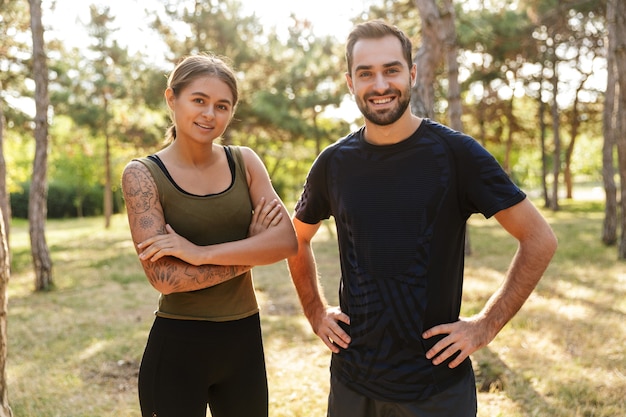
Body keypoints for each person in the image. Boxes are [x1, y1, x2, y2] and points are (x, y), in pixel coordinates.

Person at [287, 20, 558, 417]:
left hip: (437, 389)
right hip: (351, 383)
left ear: (412, 74)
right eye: (366, 73)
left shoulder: (457, 155)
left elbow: (539, 239)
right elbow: (297, 239)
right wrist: (314, 311)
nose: (380, 85)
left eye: (391, 70)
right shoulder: (333, 164)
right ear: (350, 82)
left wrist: (485, 325)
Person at [121, 53, 297, 417]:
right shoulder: (142, 175)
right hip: (178, 348)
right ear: (172, 99)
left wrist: (199, 254)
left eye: (222, 105)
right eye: (198, 100)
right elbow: (165, 278)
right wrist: (250, 252)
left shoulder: (245, 161)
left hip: (244, 341)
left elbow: (286, 242)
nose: (209, 114)